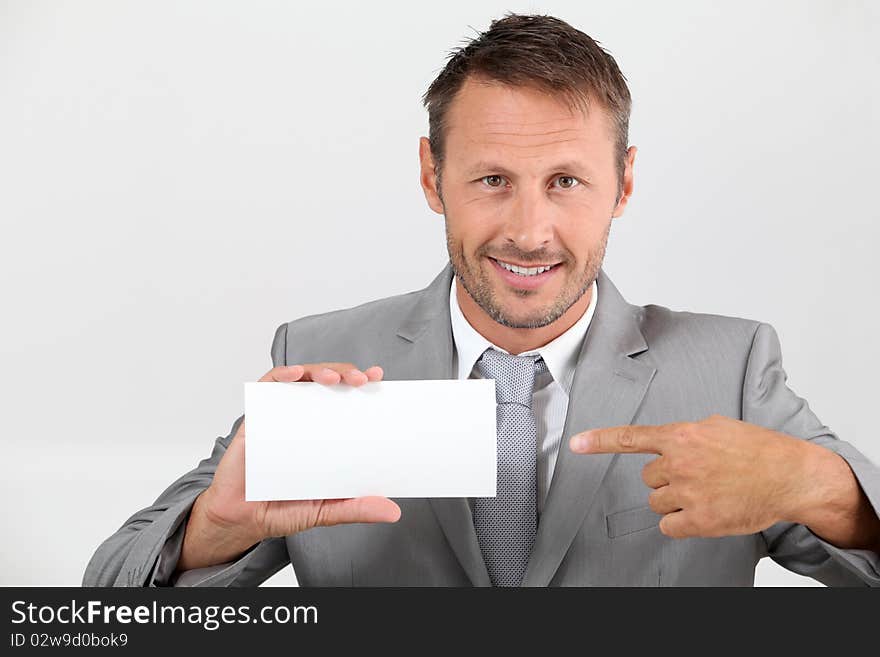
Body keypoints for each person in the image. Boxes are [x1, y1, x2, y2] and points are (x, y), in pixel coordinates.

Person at [83, 13, 880, 587]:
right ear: (432, 178)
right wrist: (210, 533)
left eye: (566, 181)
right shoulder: (319, 363)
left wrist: (816, 486)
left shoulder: (729, 371)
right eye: (493, 180)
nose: (531, 231)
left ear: (624, 183)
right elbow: (96, 612)